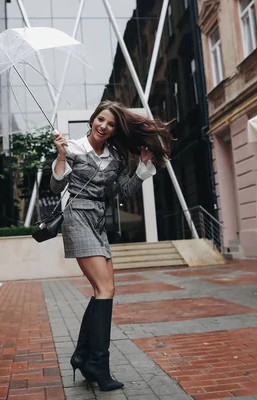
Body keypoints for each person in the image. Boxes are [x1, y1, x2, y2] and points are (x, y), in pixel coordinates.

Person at [50, 100, 172, 391]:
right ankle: (98, 364)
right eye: (100, 120)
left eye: (111, 124)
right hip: (77, 216)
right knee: (104, 289)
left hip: (97, 222)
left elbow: (122, 192)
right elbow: (55, 187)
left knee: (105, 290)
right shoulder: (74, 148)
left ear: (115, 129)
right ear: (92, 120)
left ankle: (82, 355)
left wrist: (142, 168)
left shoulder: (116, 156)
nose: (103, 126)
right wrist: (61, 155)